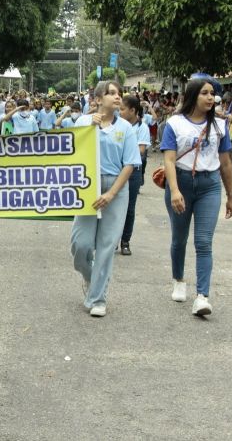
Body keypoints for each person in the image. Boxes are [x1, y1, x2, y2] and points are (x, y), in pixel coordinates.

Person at [161, 78, 232, 317]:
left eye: (212, 94)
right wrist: (174, 191)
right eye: (205, 93)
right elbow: (169, 160)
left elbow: (225, 163)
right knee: (179, 238)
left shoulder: (220, 127)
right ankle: (179, 280)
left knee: (203, 241)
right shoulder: (174, 124)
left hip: (209, 186)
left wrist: (230, 195)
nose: (210, 98)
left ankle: (202, 296)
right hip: (181, 182)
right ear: (193, 96)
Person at [71, 81, 139, 317]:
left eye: (119, 93)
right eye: (111, 93)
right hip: (88, 186)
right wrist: (90, 125)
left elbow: (130, 163)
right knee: (81, 245)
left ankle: (98, 297)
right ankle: (90, 278)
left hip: (116, 188)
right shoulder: (82, 122)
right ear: (98, 99)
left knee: (107, 246)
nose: (117, 97)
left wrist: (111, 194)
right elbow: (70, 147)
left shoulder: (126, 129)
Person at [118, 95, 151, 256]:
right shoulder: (116, 125)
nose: (120, 112)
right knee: (113, 208)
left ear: (133, 110)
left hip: (133, 172)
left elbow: (141, 151)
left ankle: (125, 241)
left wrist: (122, 153)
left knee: (129, 209)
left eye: (122, 109)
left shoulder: (141, 127)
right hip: (116, 170)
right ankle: (111, 240)